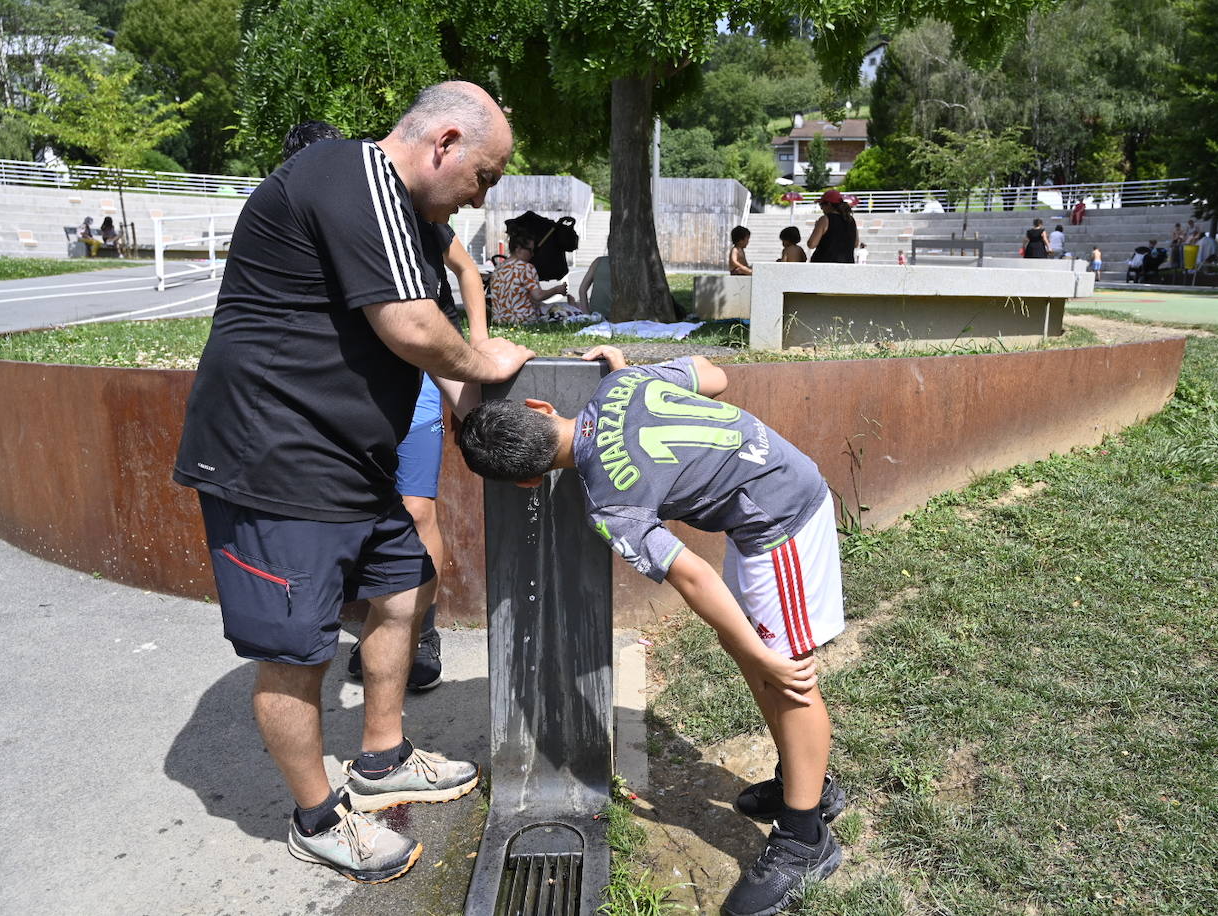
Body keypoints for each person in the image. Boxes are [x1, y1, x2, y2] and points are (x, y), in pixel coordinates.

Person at [173, 81, 534, 884]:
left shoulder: (412, 222)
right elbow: (412, 328)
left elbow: (430, 344)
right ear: (443, 142)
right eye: (485, 174)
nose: (485, 196)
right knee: (294, 650)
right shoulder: (351, 173)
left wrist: (509, 423)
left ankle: (381, 757)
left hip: (348, 458)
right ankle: (315, 818)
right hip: (273, 459)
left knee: (403, 589)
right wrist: (486, 361)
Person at [458, 345, 847, 916]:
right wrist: (626, 372)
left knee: (786, 676)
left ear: (526, 483)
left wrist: (760, 658)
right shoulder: (620, 387)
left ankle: (806, 837)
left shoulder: (609, 504)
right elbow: (714, 376)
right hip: (760, 504)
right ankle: (804, 782)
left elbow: (692, 576)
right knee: (755, 654)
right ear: (542, 407)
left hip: (781, 520)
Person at [278, 118, 488, 694]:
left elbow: (458, 283)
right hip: (344, 405)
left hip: (418, 378)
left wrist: (479, 344)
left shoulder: (409, 211)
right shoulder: (296, 221)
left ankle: (421, 629)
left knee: (418, 510)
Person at [488, 232, 573, 325]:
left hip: (500, 321)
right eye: (530, 250)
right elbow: (538, 296)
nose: (532, 254)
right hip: (522, 320)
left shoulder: (499, 268)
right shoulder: (526, 268)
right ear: (518, 248)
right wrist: (557, 290)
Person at [808, 189, 858, 262]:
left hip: (824, 265)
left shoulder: (825, 219)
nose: (821, 208)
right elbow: (856, 244)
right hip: (846, 266)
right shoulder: (851, 220)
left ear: (829, 204)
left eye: (821, 205)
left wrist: (816, 228)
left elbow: (811, 244)